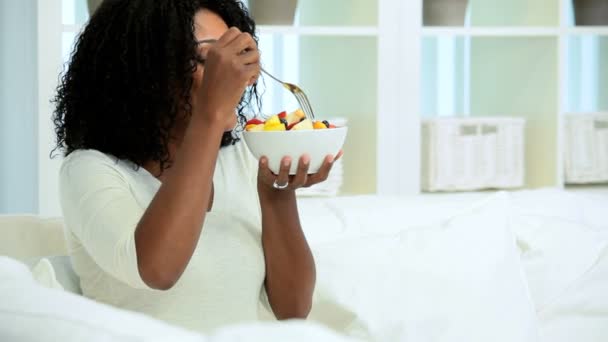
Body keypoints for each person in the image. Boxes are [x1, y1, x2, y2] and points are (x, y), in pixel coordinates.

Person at [52, 0, 341, 333]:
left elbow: (293, 309)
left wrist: (276, 192)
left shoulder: (242, 160)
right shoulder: (89, 170)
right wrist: (210, 114)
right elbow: (157, 270)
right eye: (210, 60)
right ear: (143, 71)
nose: (237, 77)